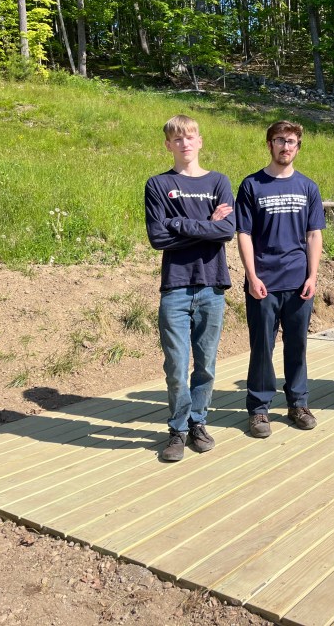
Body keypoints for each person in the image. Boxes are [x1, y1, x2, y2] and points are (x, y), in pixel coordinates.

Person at [144, 114, 236, 462]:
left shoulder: (219, 182)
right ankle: (178, 429)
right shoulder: (157, 184)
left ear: (200, 141)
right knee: (177, 365)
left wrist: (179, 223)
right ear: (169, 145)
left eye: (190, 137)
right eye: (177, 139)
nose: (184, 143)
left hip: (212, 285)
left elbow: (226, 230)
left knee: (207, 364)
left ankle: (198, 422)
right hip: (176, 287)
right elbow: (158, 236)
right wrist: (204, 224)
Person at [236, 120, 326, 438]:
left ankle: (298, 403)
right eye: (279, 140)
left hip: (299, 281)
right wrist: (251, 275)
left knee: (297, 345)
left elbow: (314, 235)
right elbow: (243, 234)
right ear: (269, 144)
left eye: (291, 141)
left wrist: (313, 275)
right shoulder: (252, 185)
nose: (285, 146)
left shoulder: (307, 187)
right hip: (264, 281)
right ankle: (259, 409)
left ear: (298, 147)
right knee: (262, 346)